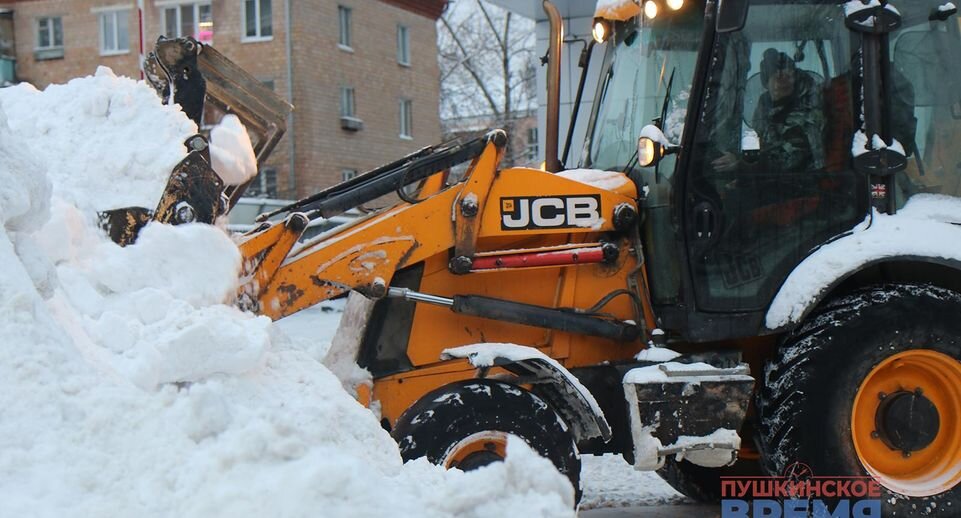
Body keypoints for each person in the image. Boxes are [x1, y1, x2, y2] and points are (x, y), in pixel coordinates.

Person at [713, 48, 825, 174]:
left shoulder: (808, 107)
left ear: (794, 77)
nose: (779, 81)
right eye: (773, 77)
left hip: (804, 184)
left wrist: (741, 165)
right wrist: (740, 163)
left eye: (786, 75)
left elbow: (791, 160)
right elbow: (761, 143)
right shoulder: (766, 104)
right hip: (774, 181)